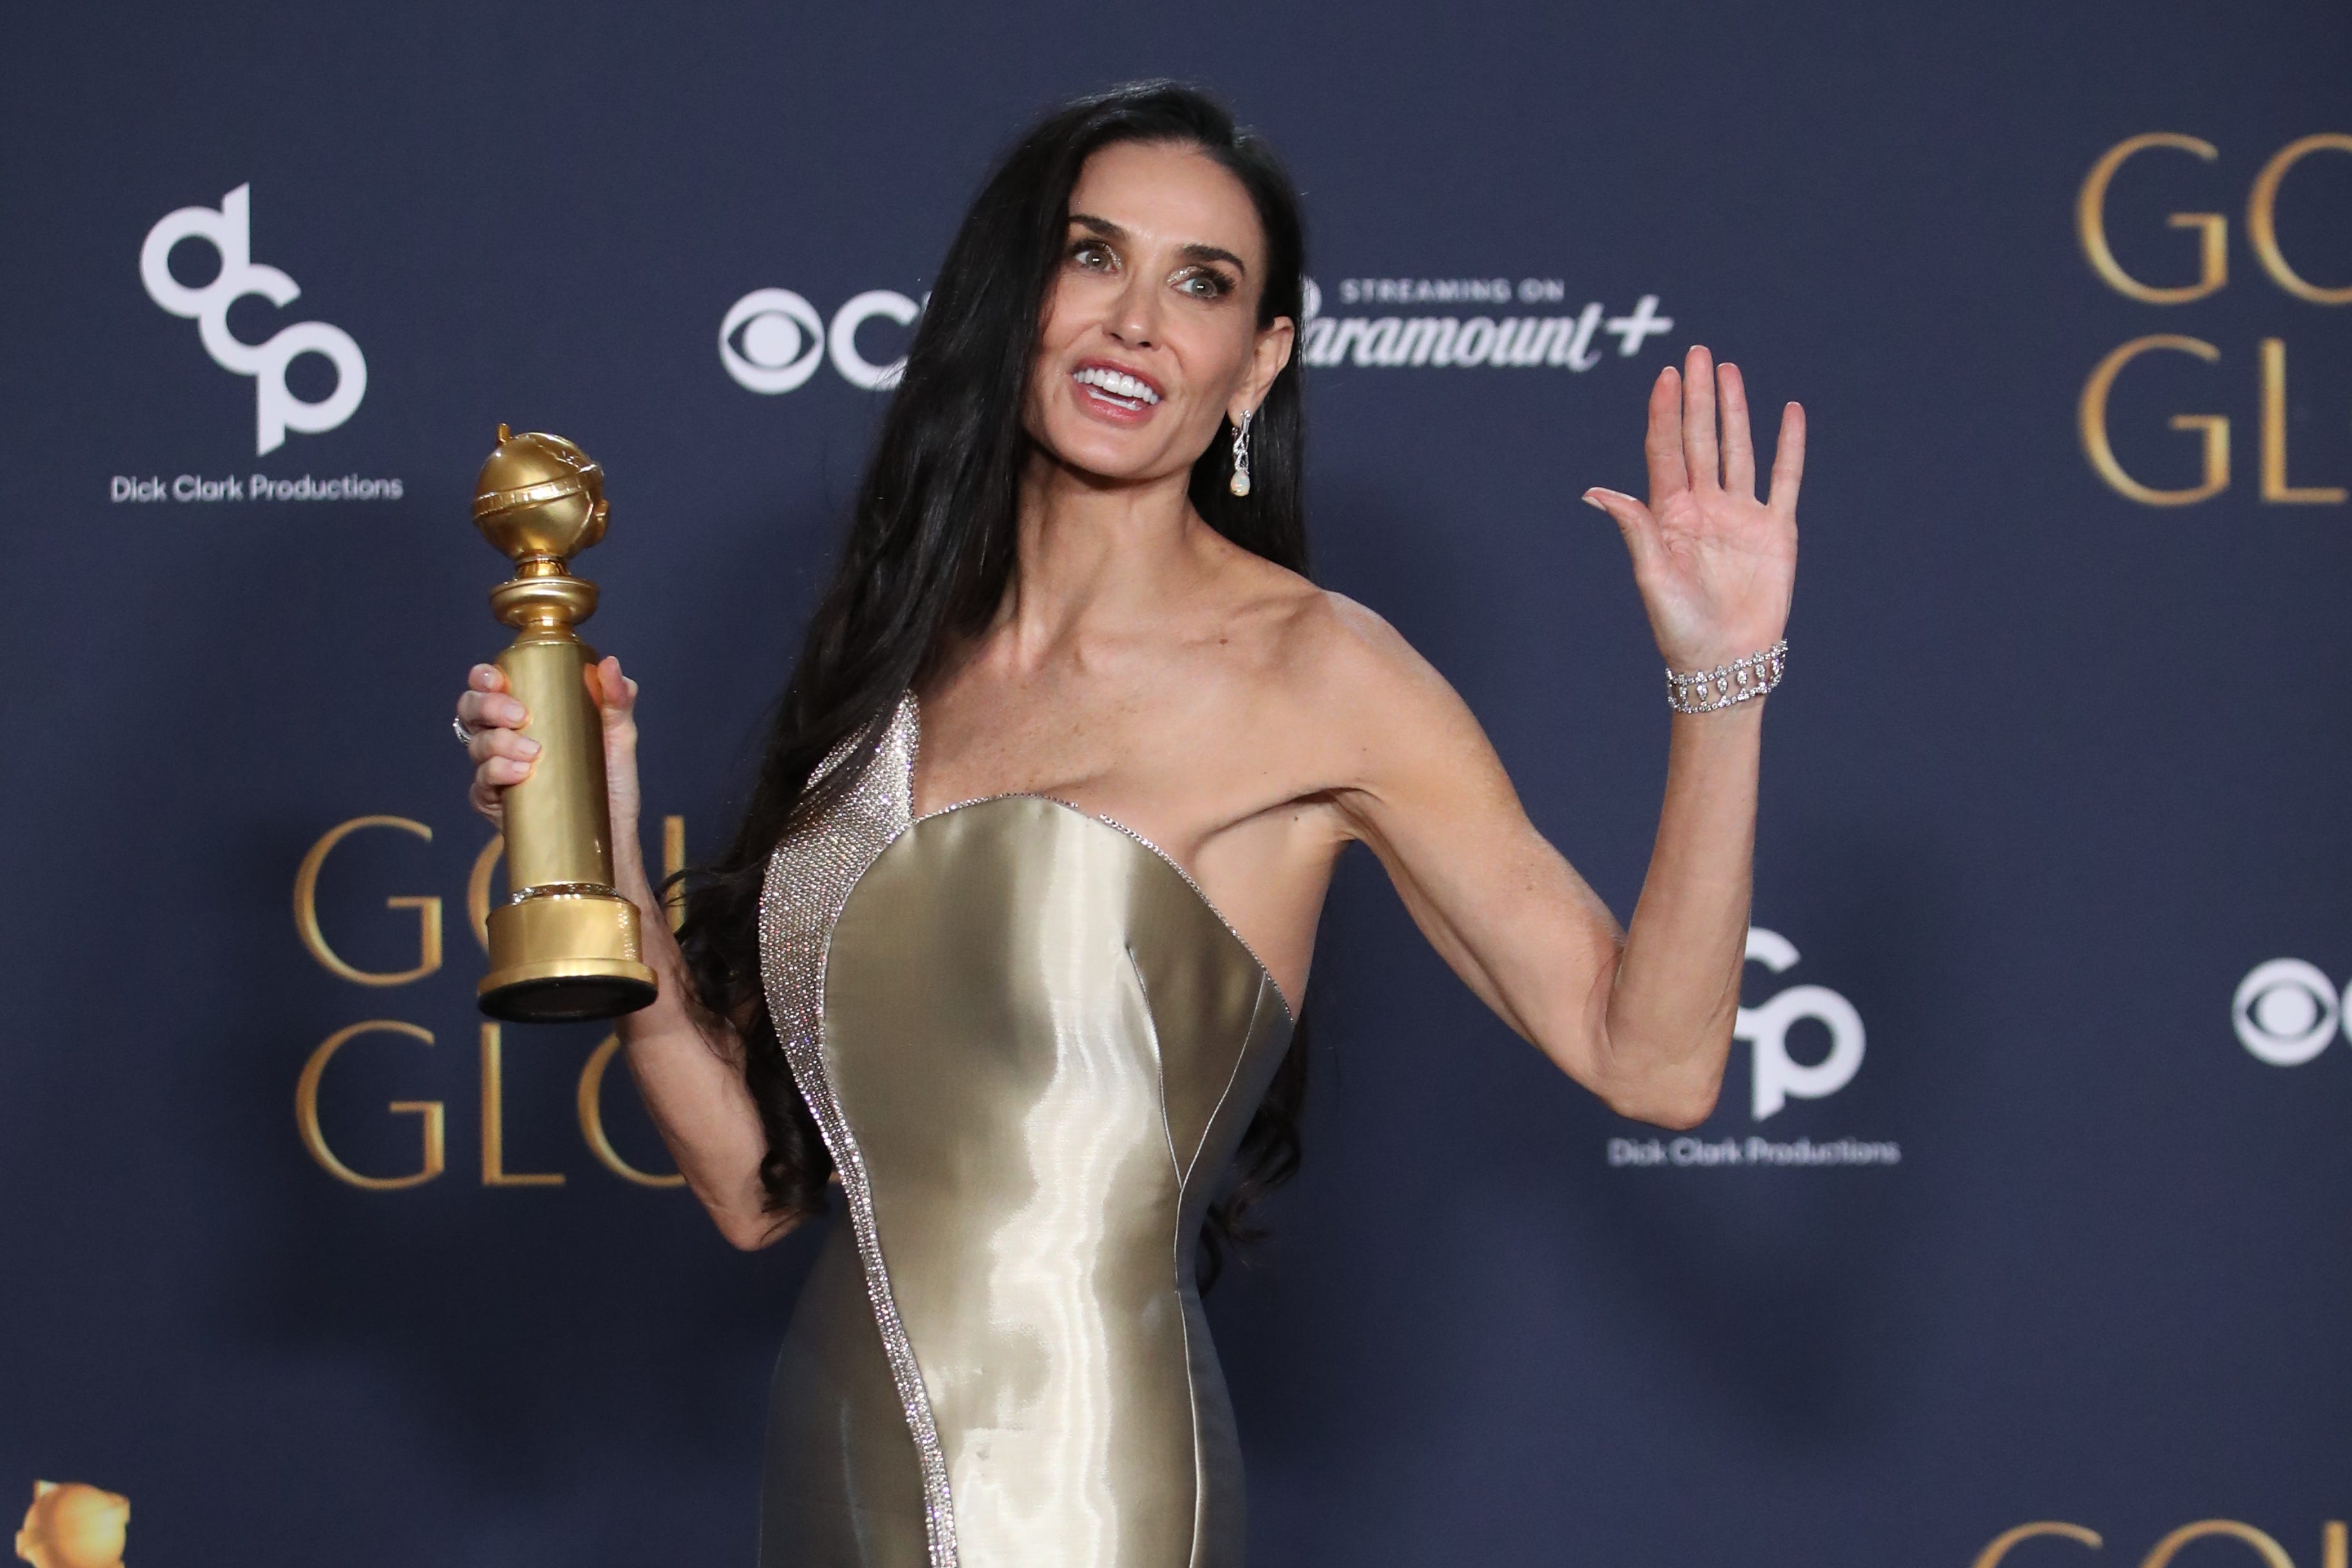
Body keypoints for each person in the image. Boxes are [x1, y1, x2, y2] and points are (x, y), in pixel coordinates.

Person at [453, 81, 1801, 1568]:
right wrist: (609, 886)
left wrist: (1716, 680)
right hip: (828, 1493)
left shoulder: (1319, 672)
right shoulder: (893, 669)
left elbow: (1656, 1060)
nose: (1136, 321)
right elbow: (750, 1197)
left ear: (1258, 359)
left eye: (1202, 283)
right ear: (1016, 291)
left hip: (1087, 1505)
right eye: (1093, 256)